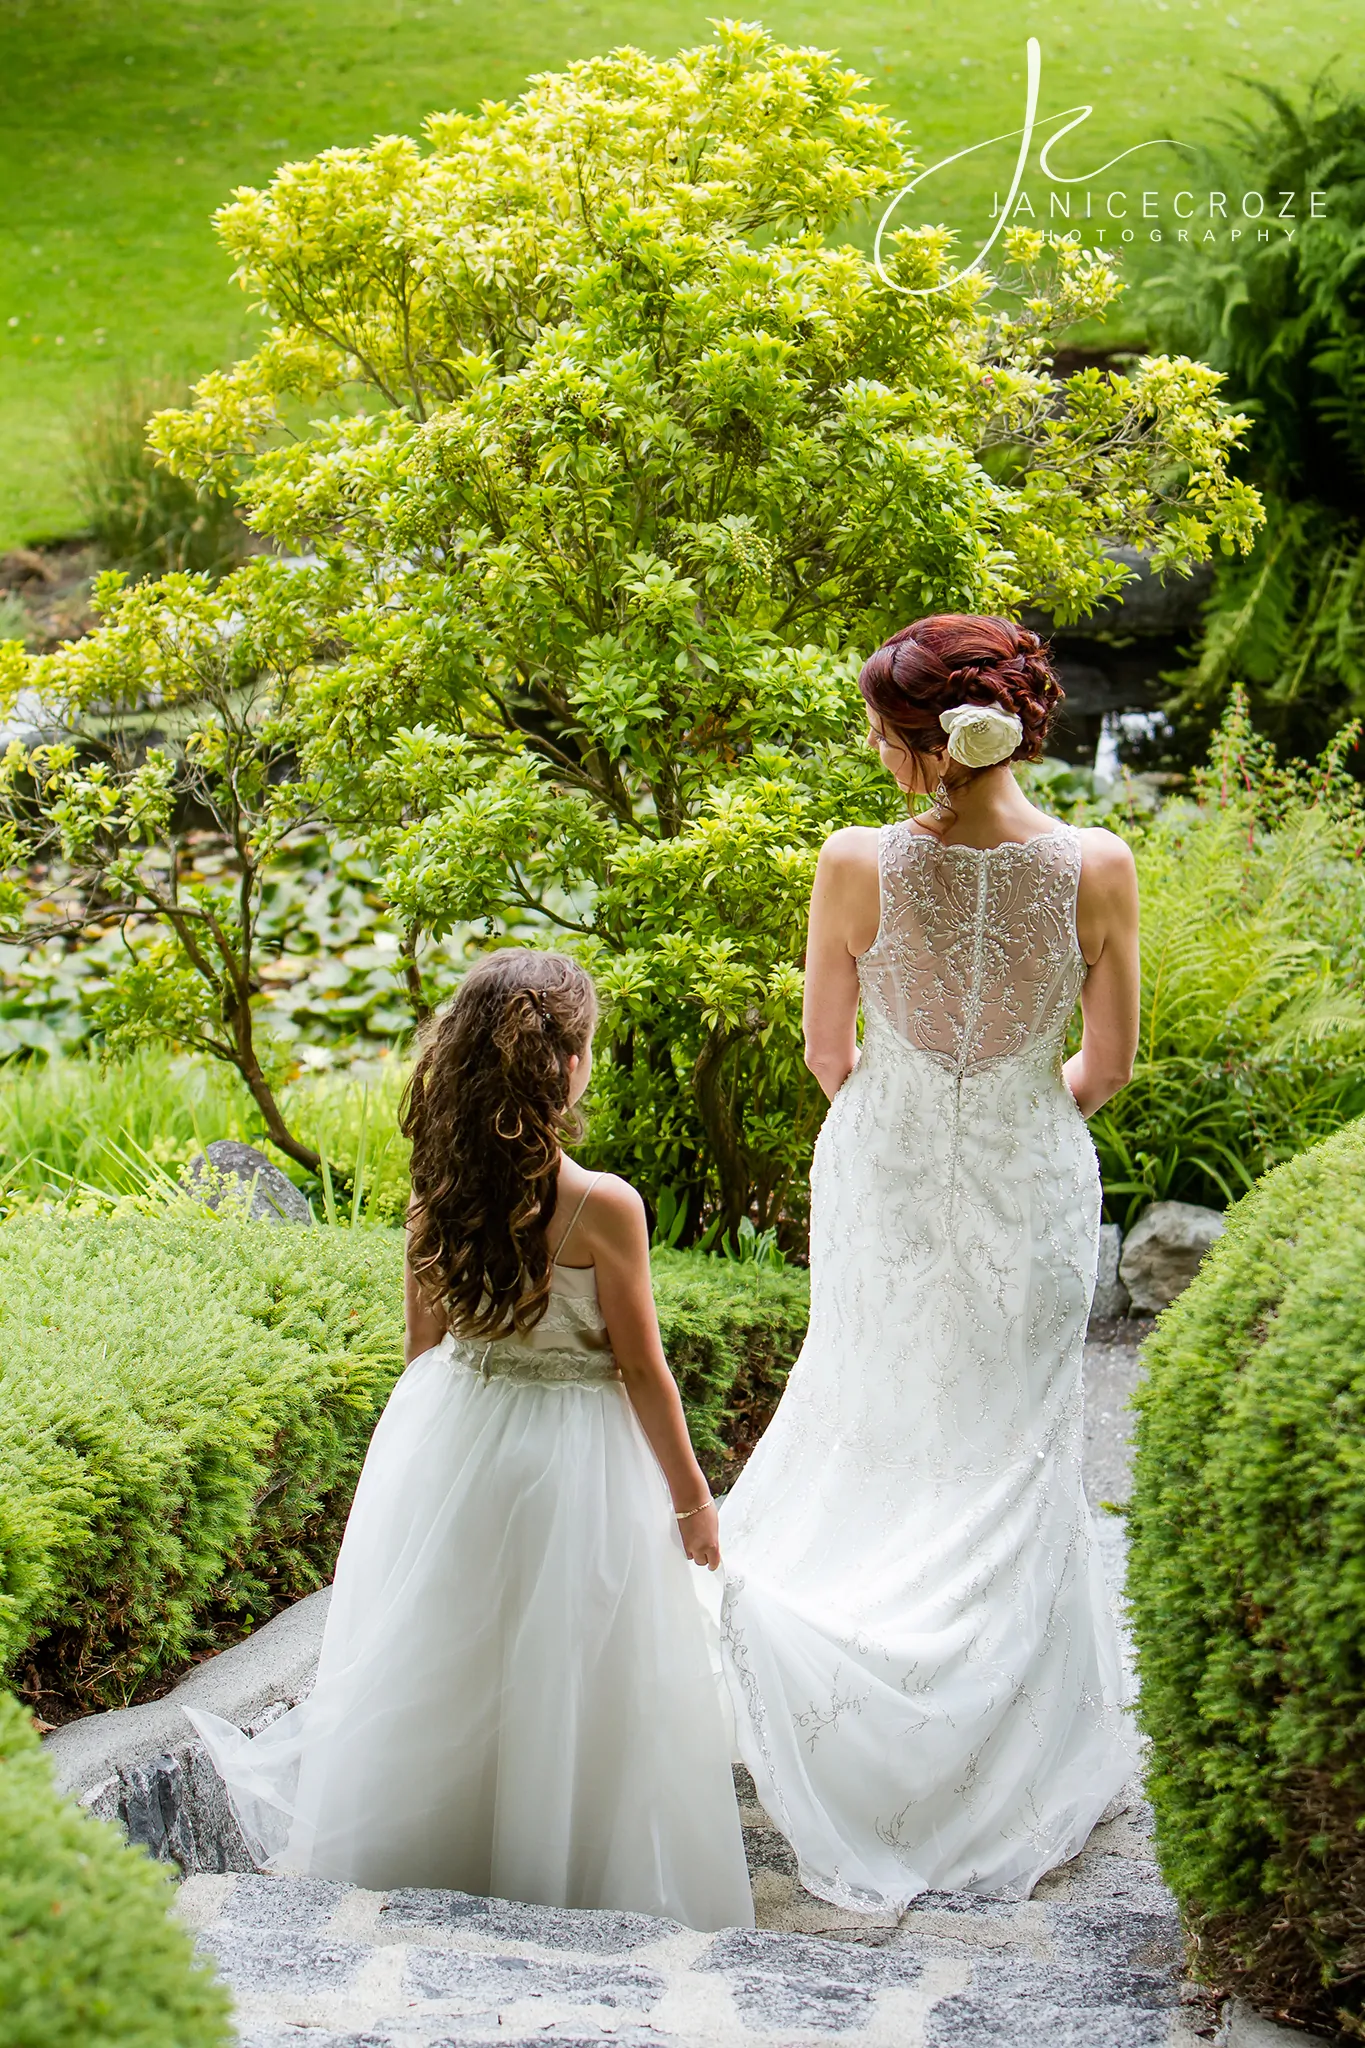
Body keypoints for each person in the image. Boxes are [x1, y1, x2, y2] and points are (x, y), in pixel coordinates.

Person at [706, 613, 1141, 1914]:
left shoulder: (852, 864)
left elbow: (826, 1056)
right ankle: (993, 1736)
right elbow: (1106, 1070)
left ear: (916, 744)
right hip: (1035, 1181)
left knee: (879, 1423)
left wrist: (914, 1110)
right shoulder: (1099, 865)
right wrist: (1012, 1105)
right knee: (1008, 1446)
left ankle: (845, 1686)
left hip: (881, 1182)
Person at [187, 949, 753, 1932]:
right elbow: (642, 1369)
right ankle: (564, 1869)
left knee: (455, 1649)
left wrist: (420, 1471)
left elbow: (424, 1352)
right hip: (577, 1455)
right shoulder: (604, 1205)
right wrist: (692, 1498)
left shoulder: (433, 1195)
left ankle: (432, 1851)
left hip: (455, 1430)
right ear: (564, 1066)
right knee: (574, 1662)